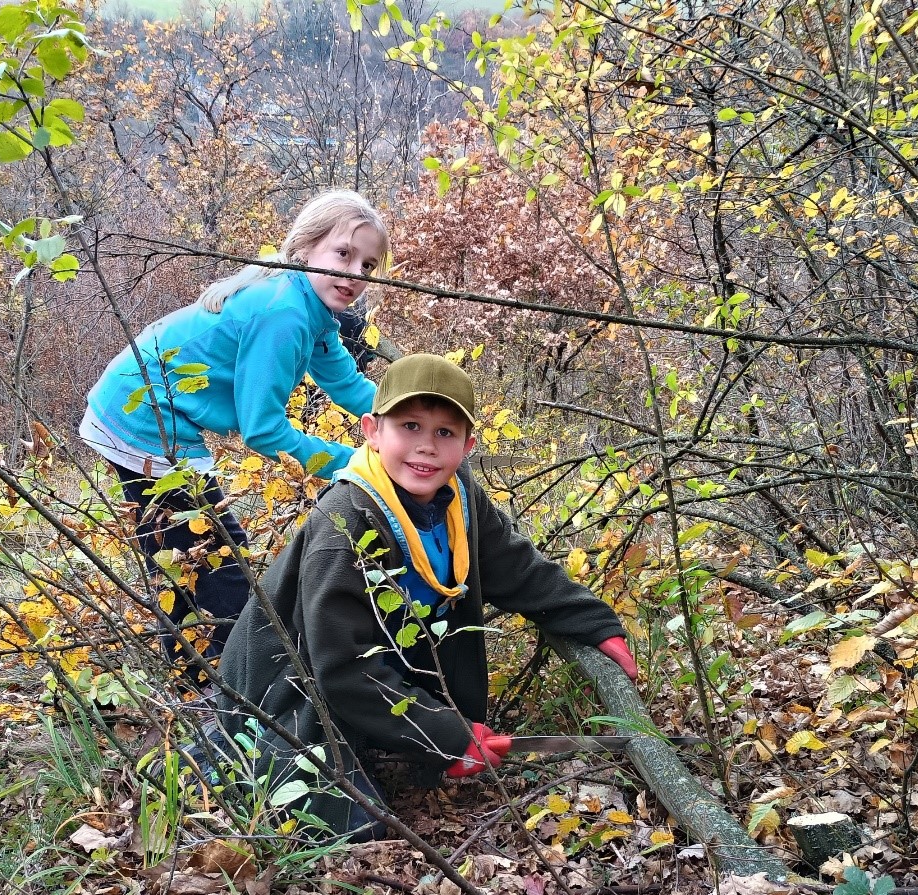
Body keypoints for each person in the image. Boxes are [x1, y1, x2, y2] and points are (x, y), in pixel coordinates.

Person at [213, 354, 640, 839]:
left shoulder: (460, 496)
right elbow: (340, 664)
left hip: (376, 659)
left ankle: (390, 739)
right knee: (353, 832)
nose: (426, 448)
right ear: (372, 431)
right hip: (289, 683)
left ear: (468, 444)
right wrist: (446, 735)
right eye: (410, 426)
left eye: (445, 432)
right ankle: (232, 750)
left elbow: (518, 569)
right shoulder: (346, 520)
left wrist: (595, 623)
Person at [79, 190, 387, 678]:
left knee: (197, 553)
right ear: (305, 247)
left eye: (367, 266)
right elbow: (263, 431)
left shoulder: (314, 311)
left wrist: (406, 419)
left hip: (156, 418)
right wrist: (356, 462)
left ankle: (207, 672)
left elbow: (348, 384)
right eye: (343, 254)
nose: (355, 275)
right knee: (215, 561)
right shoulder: (284, 314)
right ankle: (213, 684)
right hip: (143, 418)